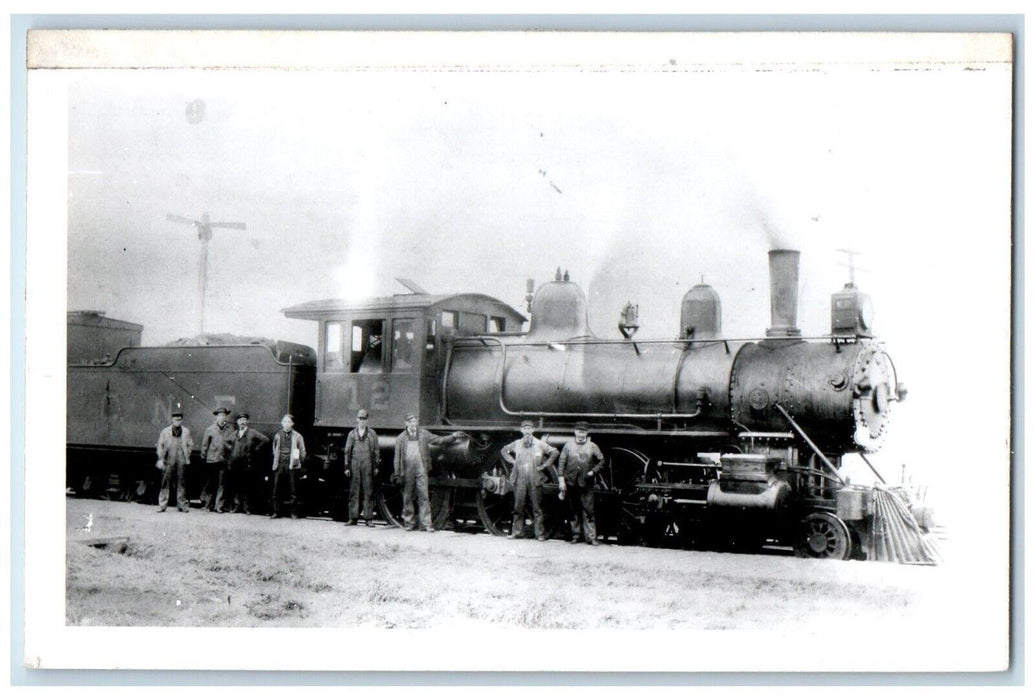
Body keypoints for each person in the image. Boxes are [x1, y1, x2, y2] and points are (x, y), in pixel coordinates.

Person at [392, 413, 462, 532]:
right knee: (408, 496)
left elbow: (438, 440)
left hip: (421, 468)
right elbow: (397, 458)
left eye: (415, 421)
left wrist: (453, 436)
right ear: (406, 423)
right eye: (411, 422)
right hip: (408, 469)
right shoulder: (401, 438)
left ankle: (426, 523)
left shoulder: (424, 434)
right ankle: (409, 523)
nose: (413, 424)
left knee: (424, 495)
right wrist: (398, 473)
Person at [500, 419, 559, 541]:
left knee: (537, 508)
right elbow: (503, 451)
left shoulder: (539, 444)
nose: (527, 431)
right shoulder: (516, 443)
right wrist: (513, 461)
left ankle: (540, 534)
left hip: (535, 478)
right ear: (521, 430)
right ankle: (517, 532)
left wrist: (544, 465)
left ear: (533, 430)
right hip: (520, 478)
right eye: (525, 429)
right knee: (518, 506)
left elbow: (555, 452)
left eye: (529, 429)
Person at [558, 422, 605, 545]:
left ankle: (591, 537)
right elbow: (562, 462)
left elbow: (601, 461)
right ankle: (576, 535)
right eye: (579, 432)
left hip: (586, 482)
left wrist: (592, 472)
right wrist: (561, 478)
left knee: (588, 510)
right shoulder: (568, 446)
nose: (580, 434)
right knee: (573, 510)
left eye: (583, 432)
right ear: (575, 432)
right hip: (571, 482)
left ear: (587, 433)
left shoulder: (592, 446)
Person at [226, 411, 269, 514]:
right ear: (237, 422)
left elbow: (265, 439)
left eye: (244, 420)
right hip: (236, 464)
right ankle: (237, 507)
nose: (242, 422)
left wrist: (256, 449)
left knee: (247, 487)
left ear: (247, 421)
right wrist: (232, 450)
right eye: (240, 420)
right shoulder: (235, 434)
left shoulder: (252, 432)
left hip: (247, 464)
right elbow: (226, 442)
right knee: (236, 486)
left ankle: (247, 508)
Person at [343, 409, 380, 526]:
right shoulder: (352, 434)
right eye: (360, 419)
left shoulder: (372, 434)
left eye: (364, 419)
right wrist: (347, 467)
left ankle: (368, 518)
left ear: (367, 420)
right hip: (354, 464)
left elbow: (376, 451)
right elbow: (347, 451)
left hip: (368, 464)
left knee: (368, 491)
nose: (362, 421)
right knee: (354, 491)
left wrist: (376, 466)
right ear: (357, 420)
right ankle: (353, 517)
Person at [156, 409, 194, 513]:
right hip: (169, 458)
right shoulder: (165, 431)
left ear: (182, 420)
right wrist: (160, 457)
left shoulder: (186, 431)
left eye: (179, 419)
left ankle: (181, 505)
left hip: (181, 458)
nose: (177, 421)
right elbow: (160, 445)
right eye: (175, 419)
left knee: (181, 482)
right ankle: (162, 505)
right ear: (172, 420)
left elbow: (190, 444)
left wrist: (187, 454)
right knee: (165, 482)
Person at [270, 414, 306, 519]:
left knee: (293, 490)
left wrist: (296, 462)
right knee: (277, 489)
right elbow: (274, 449)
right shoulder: (277, 435)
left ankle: (293, 513)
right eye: (284, 422)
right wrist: (278, 459)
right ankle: (276, 512)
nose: (286, 424)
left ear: (292, 424)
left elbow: (301, 451)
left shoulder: (297, 436)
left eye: (289, 422)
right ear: (282, 423)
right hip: (280, 463)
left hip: (291, 465)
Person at [199, 406, 235, 512]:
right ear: (216, 417)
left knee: (221, 484)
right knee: (210, 484)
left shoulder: (230, 429)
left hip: (223, 460)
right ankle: (207, 505)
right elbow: (205, 445)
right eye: (219, 415)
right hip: (212, 460)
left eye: (224, 415)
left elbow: (232, 444)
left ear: (226, 417)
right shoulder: (210, 429)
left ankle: (219, 506)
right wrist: (204, 455)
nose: (222, 417)